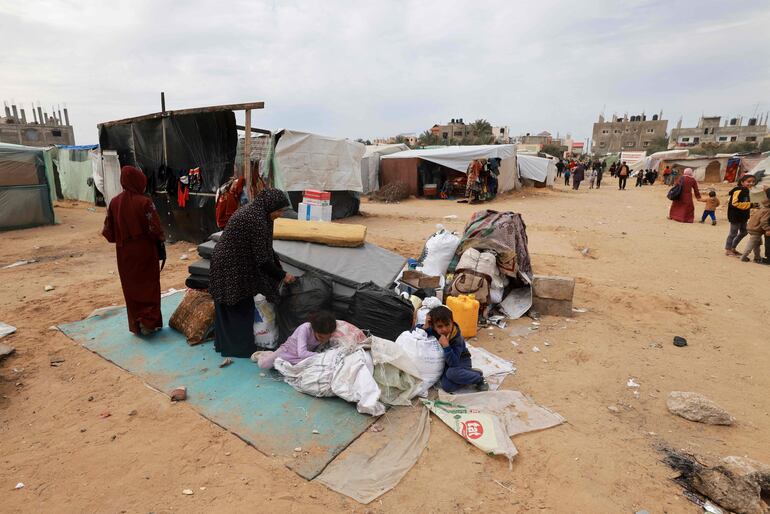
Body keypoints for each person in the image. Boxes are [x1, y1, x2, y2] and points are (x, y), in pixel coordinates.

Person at [208, 188, 296, 357]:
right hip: (229, 265)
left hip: (238, 261)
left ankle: (227, 344)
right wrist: (282, 275)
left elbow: (266, 249)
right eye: (278, 210)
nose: (280, 214)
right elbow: (262, 260)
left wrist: (278, 268)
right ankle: (237, 349)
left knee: (237, 304)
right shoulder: (256, 219)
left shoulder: (261, 212)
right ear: (270, 206)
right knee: (236, 303)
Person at [102, 165, 165, 336]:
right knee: (149, 285)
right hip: (144, 251)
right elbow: (155, 230)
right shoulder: (145, 202)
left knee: (131, 287)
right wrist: (160, 241)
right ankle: (149, 323)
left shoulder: (114, 203)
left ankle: (137, 324)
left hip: (124, 253)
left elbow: (109, 233)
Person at [423, 306, 488, 393]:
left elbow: (454, 363)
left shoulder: (456, 338)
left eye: (447, 325)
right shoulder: (434, 330)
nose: (444, 329)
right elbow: (415, 332)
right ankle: (469, 374)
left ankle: (478, 379)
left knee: (452, 373)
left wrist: (446, 346)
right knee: (447, 387)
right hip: (446, 363)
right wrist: (425, 326)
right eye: (440, 326)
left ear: (452, 323)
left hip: (461, 361)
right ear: (433, 326)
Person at [257, 311, 337, 369]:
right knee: (263, 365)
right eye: (320, 337)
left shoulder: (330, 331)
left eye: (327, 337)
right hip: (287, 352)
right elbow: (302, 353)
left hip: (301, 357)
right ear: (314, 329)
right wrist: (322, 356)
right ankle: (262, 355)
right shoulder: (305, 328)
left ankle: (274, 357)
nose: (324, 340)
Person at [725, 175, 757, 256]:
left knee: (744, 232)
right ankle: (728, 249)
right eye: (748, 181)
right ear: (742, 182)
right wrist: (750, 205)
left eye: (753, 181)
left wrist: (754, 205)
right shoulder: (738, 190)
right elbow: (734, 203)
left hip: (743, 216)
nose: (751, 183)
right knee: (733, 233)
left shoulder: (747, 190)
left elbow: (747, 203)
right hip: (735, 215)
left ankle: (733, 248)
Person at [740, 198, 770, 263]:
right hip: (756, 230)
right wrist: (767, 229)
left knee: (757, 243)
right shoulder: (768, 211)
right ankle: (743, 256)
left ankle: (757, 257)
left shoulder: (761, 209)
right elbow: (763, 221)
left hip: (751, 227)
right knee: (751, 244)